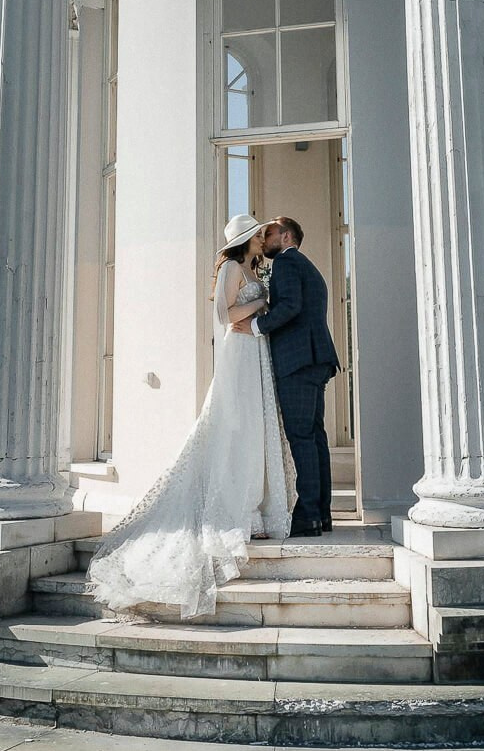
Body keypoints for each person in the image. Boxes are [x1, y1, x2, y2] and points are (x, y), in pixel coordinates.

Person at [88, 214, 295, 620]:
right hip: (238, 355)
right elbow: (225, 316)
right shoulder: (233, 269)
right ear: (248, 241)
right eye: (257, 236)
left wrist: (259, 304)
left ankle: (257, 503)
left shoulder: (251, 269)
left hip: (254, 351)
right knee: (236, 425)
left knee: (253, 427)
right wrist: (263, 302)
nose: (261, 240)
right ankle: (239, 505)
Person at [233, 217, 340, 538]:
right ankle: (321, 514)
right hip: (314, 359)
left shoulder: (288, 263)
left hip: (299, 361)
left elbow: (291, 306)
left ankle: (308, 516)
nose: (264, 240)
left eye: (269, 234)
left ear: (287, 235)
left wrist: (254, 327)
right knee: (315, 437)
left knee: (302, 438)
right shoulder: (305, 265)